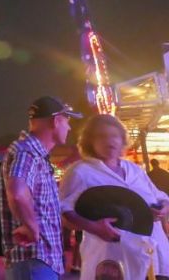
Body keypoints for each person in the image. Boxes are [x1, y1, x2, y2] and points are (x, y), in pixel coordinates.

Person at [60, 114, 169, 280]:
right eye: (102, 136)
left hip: (154, 255)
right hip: (112, 260)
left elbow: (160, 197)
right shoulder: (80, 172)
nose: (109, 141)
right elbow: (62, 213)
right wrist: (93, 227)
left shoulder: (135, 170)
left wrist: (163, 207)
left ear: (122, 140)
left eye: (114, 136)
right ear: (90, 141)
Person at [0, 96, 81, 280]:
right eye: (67, 121)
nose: (69, 128)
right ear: (56, 121)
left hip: (38, 262)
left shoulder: (34, 153)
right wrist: (31, 227)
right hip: (34, 260)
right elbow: (17, 192)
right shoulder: (27, 151)